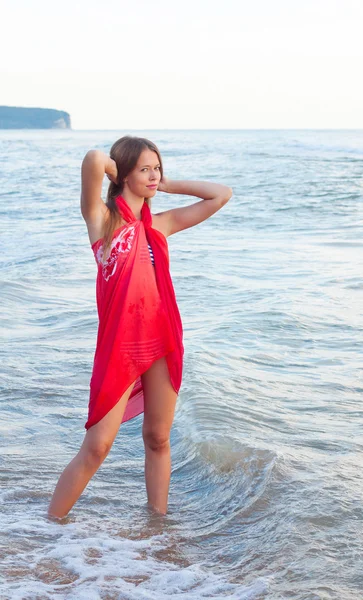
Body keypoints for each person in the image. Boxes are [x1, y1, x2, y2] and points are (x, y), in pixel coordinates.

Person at [47, 135, 232, 519]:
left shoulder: (160, 225)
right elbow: (94, 159)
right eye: (145, 169)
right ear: (125, 172)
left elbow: (220, 194)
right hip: (121, 346)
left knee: (158, 438)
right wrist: (118, 171)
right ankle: (50, 527)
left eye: (157, 168)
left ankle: (156, 526)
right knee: (97, 446)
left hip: (162, 340)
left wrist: (165, 185)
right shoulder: (101, 220)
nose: (153, 175)